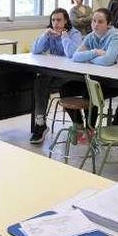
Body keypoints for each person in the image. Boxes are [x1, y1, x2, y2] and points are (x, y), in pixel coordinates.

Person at [58, 8, 118, 126]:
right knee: (65, 88)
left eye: (100, 22)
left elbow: (107, 61)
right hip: (96, 79)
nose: (96, 25)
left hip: (114, 82)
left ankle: (90, 128)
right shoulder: (91, 36)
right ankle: (78, 124)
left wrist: (88, 57)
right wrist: (95, 52)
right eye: (94, 21)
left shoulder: (115, 36)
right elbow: (75, 56)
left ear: (108, 24)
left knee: (89, 91)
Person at [30, 8, 83, 144]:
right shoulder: (51, 34)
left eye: (59, 20)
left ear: (66, 21)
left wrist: (63, 36)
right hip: (54, 73)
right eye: (53, 20)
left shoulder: (74, 34)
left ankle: (40, 124)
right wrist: (45, 35)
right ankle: (40, 122)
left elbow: (73, 53)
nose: (55, 23)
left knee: (41, 85)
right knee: (40, 81)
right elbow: (35, 50)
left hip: (72, 74)